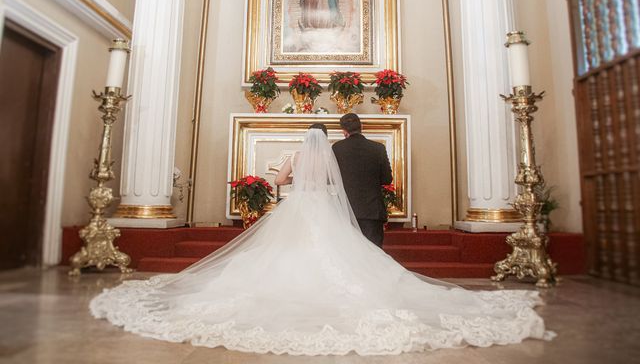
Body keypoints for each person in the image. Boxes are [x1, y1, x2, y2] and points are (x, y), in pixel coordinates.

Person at [90, 127, 554, 356]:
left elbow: (281, 182)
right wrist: (321, 194)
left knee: (282, 254)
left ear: (303, 141)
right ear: (325, 141)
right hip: (323, 208)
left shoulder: (295, 155)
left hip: (296, 207)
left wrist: (283, 190)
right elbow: (333, 188)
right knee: (337, 253)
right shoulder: (330, 157)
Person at [332, 113, 392, 248]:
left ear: (344, 131)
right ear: (362, 127)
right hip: (372, 211)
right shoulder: (378, 148)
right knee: (374, 254)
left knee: (349, 252)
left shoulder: (337, 148)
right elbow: (387, 179)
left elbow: (332, 177)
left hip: (346, 210)